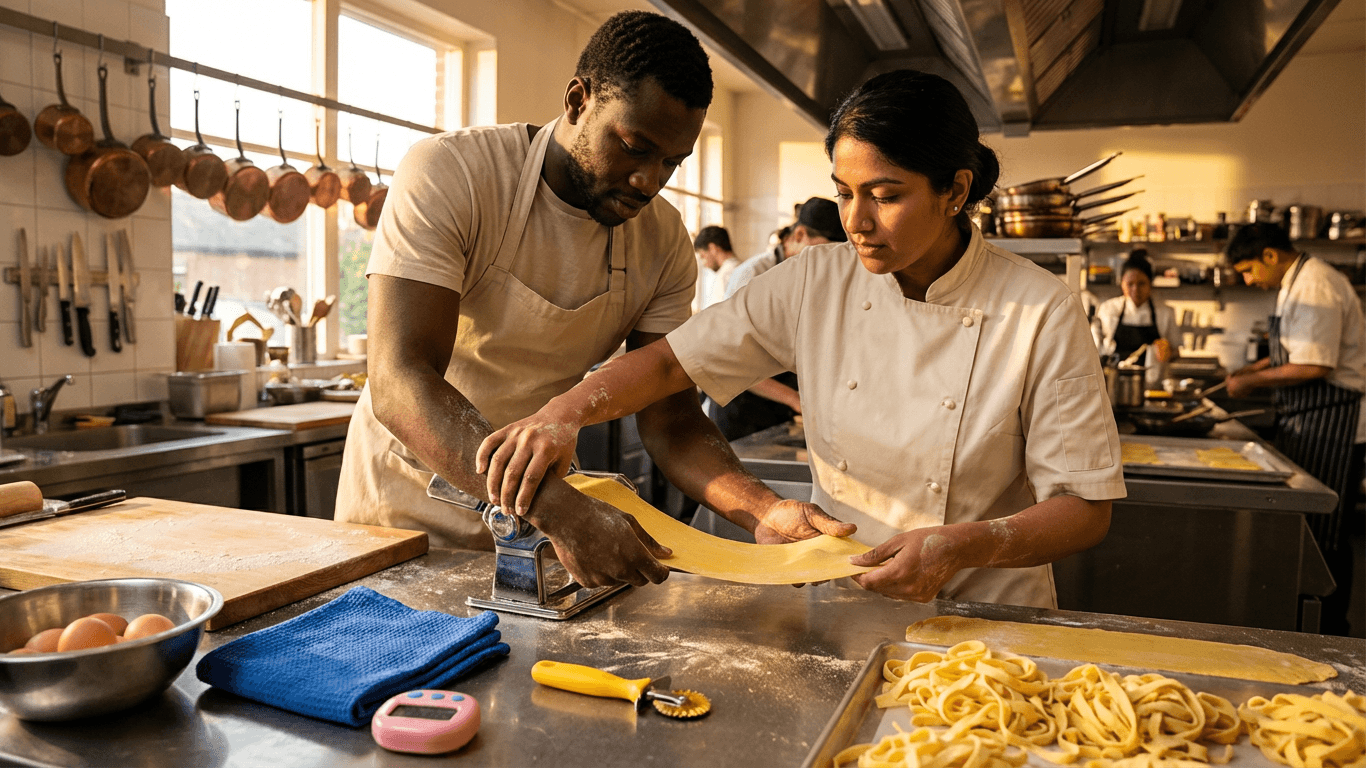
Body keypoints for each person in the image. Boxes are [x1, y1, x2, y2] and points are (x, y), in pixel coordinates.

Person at [477, 69, 1124, 608]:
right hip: (844, 598)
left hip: (988, 615)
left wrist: (964, 544)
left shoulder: (1039, 307)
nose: (858, 221)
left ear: (955, 190)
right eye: (844, 193)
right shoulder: (816, 281)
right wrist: (564, 414)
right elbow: (670, 365)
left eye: (886, 195)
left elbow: (1084, 508)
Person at [336, 11, 846, 589]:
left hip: (539, 526)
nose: (648, 180)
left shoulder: (662, 242)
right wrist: (557, 509)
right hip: (408, 513)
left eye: (670, 163)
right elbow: (399, 378)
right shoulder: (455, 174)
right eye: (634, 147)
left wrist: (760, 508)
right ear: (578, 100)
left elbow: (671, 417)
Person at [1226, 222, 1366, 636]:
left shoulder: (1316, 284)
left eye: (1250, 270)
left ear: (1270, 255)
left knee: (1328, 533)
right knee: (1309, 528)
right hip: (1311, 418)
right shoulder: (1295, 282)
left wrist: (1248, 383)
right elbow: (1291, 352)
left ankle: (1329, 629)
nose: (1249, 280)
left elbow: (1315, 365)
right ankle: (1306, 618)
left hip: (1333, 423)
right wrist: (1250, 369)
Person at [710, 196, 848, 440]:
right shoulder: (753, 275)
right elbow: (732, 361)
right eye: (825, 250)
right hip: (742, 410)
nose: (830, 261)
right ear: (799, 235)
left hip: (780, 409)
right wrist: (797, 400)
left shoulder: (816, 279)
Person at [1093, 250, 1180, 384]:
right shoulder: (1108, 309)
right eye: (1130, 284)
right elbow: (1095, 349)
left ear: (1150, 284)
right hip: (1113, 384)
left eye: (1141, 284)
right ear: (1122, 283)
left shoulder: (1165, 312)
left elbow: (1176, 353)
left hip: (1152, 385)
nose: (1135, 290)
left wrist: (1168, 351)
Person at [692, 225, 738, 311]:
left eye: (702, 256)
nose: (704, 263)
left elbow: (718, 317)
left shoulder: (726, 274)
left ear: (712, 248)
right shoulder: (741, 267)